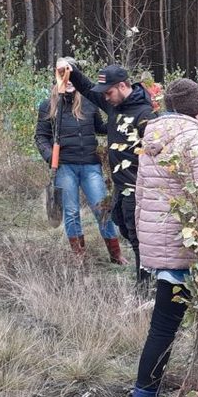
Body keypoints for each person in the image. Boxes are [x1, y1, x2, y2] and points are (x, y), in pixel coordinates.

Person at [129, 78, 198, 397]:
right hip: (188, 248)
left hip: (160, 245)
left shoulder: (152, 135)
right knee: (166, 326)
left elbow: (142, 197)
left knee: (173, 321)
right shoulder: (196, 139)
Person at [58, 60, 158, 289]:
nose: (105, 97)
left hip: (138, 187)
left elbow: (157, 152)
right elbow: (87, 88)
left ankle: (145, 289)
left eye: (109, 92)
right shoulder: (113, 105)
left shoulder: (145, 113)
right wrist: (70, 72)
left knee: (138, 239)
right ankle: (148, 280)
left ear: (123, 86)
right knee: (120, 223)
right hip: (120, 186)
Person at [34, 57, 125, 262]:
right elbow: (41, 136)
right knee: (72, 212)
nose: (69, 80)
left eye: (72, 74)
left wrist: (118, 122)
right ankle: (79, 256)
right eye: (63, 74)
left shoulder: (89, 103)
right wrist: (51, 157)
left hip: (90, 165)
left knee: (102, 209)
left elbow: (100, 128)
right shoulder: (49, 106)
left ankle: (116, 254)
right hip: (65, 166)